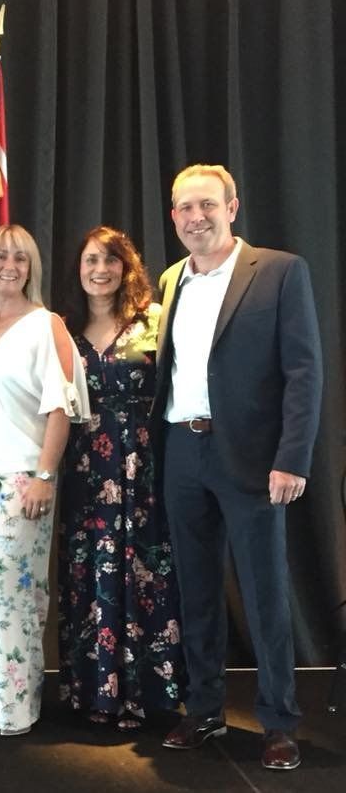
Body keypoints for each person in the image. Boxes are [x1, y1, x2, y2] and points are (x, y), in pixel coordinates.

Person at [152, 164, 322, 770]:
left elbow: (304, 372)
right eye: (183, 208)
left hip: (252, 458)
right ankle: (203, 711)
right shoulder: (171, 280)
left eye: (206, 205)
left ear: (232, 207)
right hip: (182, 451)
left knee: (264, 592)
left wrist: (292, 458)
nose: (195, 217)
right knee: (195, 590)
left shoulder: (278, 271)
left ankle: (279, 722)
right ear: (173, 217)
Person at [0, 223, 90, 736]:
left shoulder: (44, 324)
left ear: (31, 269)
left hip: (22, 476)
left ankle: (19, 707)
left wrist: (44, 476)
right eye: (0, 257)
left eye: (21, 259)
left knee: (15, 589)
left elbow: (61, 407)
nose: (9, 266)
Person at [57, 225, 184, 731]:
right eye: (91, 260)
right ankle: (94, 692)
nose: (100, 270)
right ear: (78, 269)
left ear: (127, 268)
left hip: (145, 468)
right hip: (86, 471)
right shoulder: (59, 328)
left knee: (147, 574)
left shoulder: (154, 321)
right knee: (90, 577)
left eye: (111, 260)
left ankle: (151, 694)